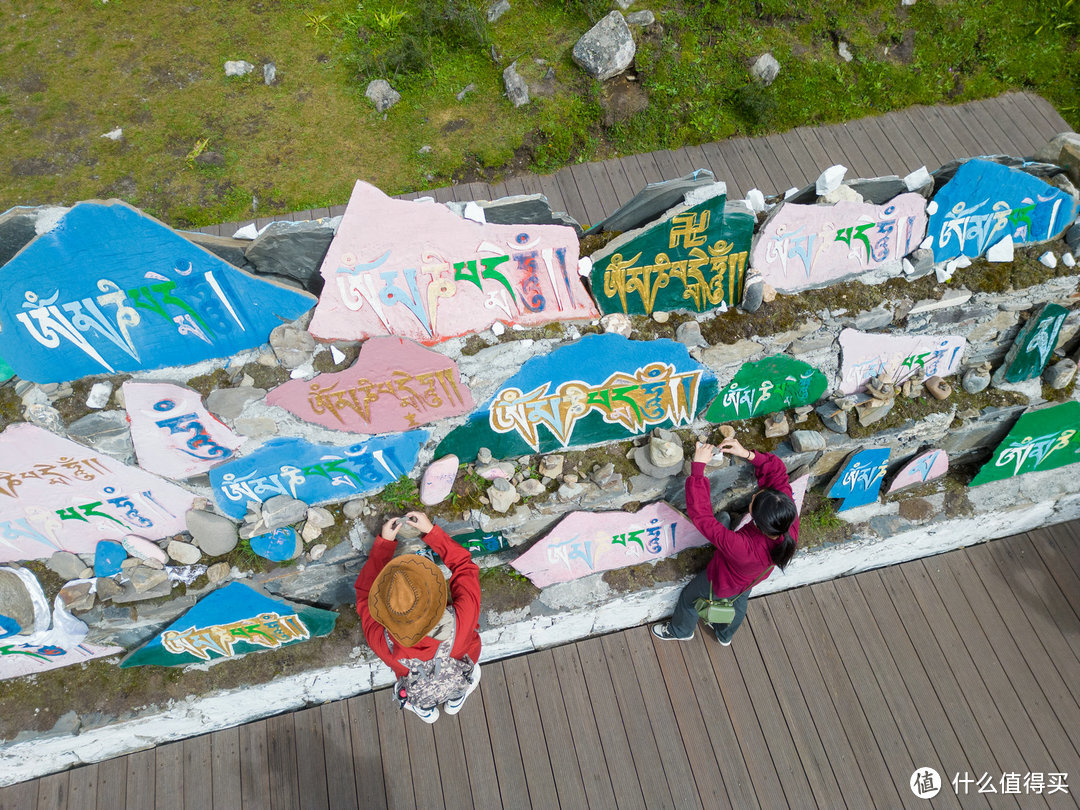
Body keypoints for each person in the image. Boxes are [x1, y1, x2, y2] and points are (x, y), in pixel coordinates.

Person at [653, 436, 799, 646]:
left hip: (723, 580)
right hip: (756, 575)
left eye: (755, 499)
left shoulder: (741, 547)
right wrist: (747, 454)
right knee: (740, 600)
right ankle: (724, 634)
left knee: (689, 598)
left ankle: (681, 629)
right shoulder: (787, 519)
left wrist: (698, 467)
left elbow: (703, 518)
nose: (756, 494)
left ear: (756, 520)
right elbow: (778, 474)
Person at [355, 510, 482, 723]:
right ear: (433, 595)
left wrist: (384, 545)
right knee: (469, 668)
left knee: (413, 688)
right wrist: (432, 532)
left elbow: (364, 596)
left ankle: (424, 707)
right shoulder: (461, 618)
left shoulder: (383, 643)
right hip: (456, 667)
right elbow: (464, 567)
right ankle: (456, 696)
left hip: (418, 686)